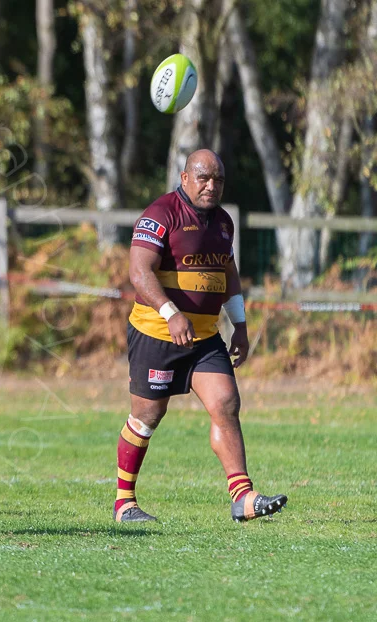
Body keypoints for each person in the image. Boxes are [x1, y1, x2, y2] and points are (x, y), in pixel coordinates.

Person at [114, 148, 288, 524]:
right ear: (185, 178)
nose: (212, 186)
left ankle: (242, 497)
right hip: (156, 332)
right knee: (147, 414)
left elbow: (228, 272)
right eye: (204, 178)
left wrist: (239, 324)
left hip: (205, 337)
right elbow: (139, 272)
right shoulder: (160, 214)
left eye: (219, 179)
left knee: (226, 403)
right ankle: (124, 503)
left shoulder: (224, 222)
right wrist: (171, 313)